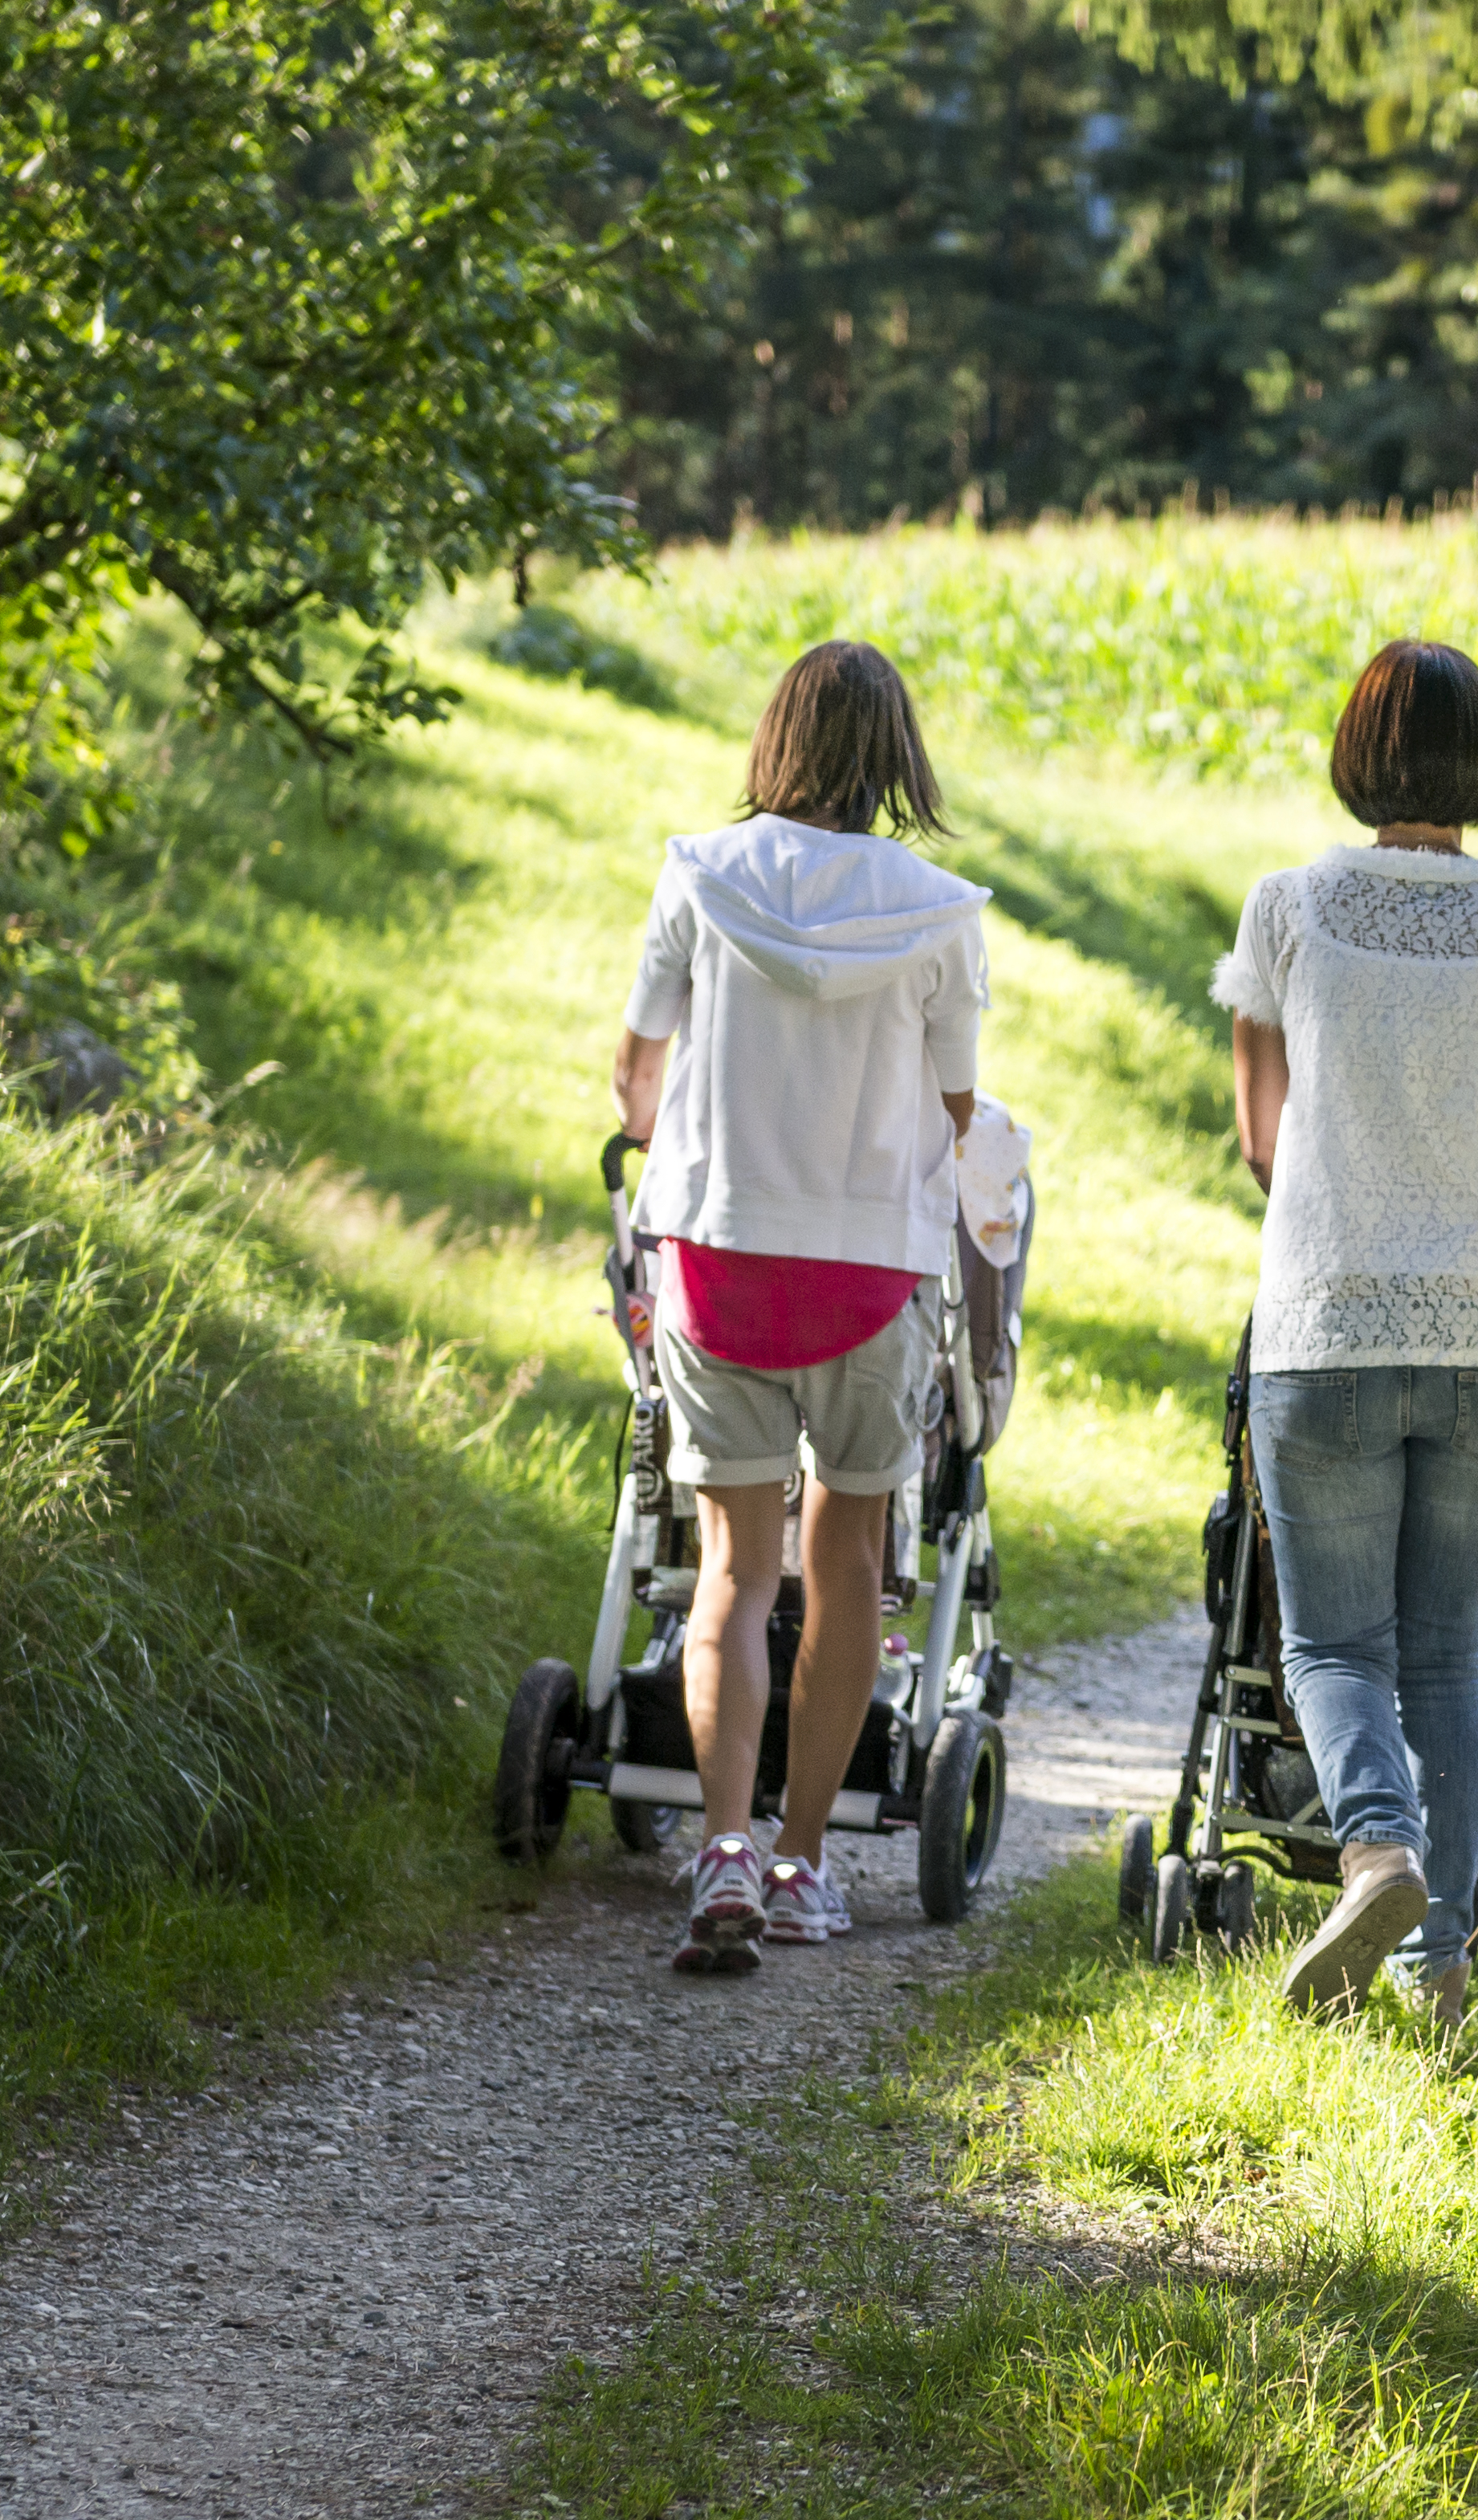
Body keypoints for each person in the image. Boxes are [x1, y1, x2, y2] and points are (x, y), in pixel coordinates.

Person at [1215, 639, 1478, 2025]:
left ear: (1357, 760)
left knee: (1333, 1646)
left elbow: (1262, 1143)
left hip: (1327, 1320)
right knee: (1451, 1649)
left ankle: (1375, 1847)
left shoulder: (1286, 908)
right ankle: (1437, 1964)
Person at [611, 641, 991, 1972]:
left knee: (730, 1569)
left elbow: (636, 1078)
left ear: (776, 738)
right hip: (867, 1271)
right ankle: (800, 1861)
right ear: (893, 757)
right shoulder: (939, 910)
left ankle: (719, 1846)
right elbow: (959, 1106)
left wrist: (673, 1134)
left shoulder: (697, 875)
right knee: (846, 1571)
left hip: (717, 1259)